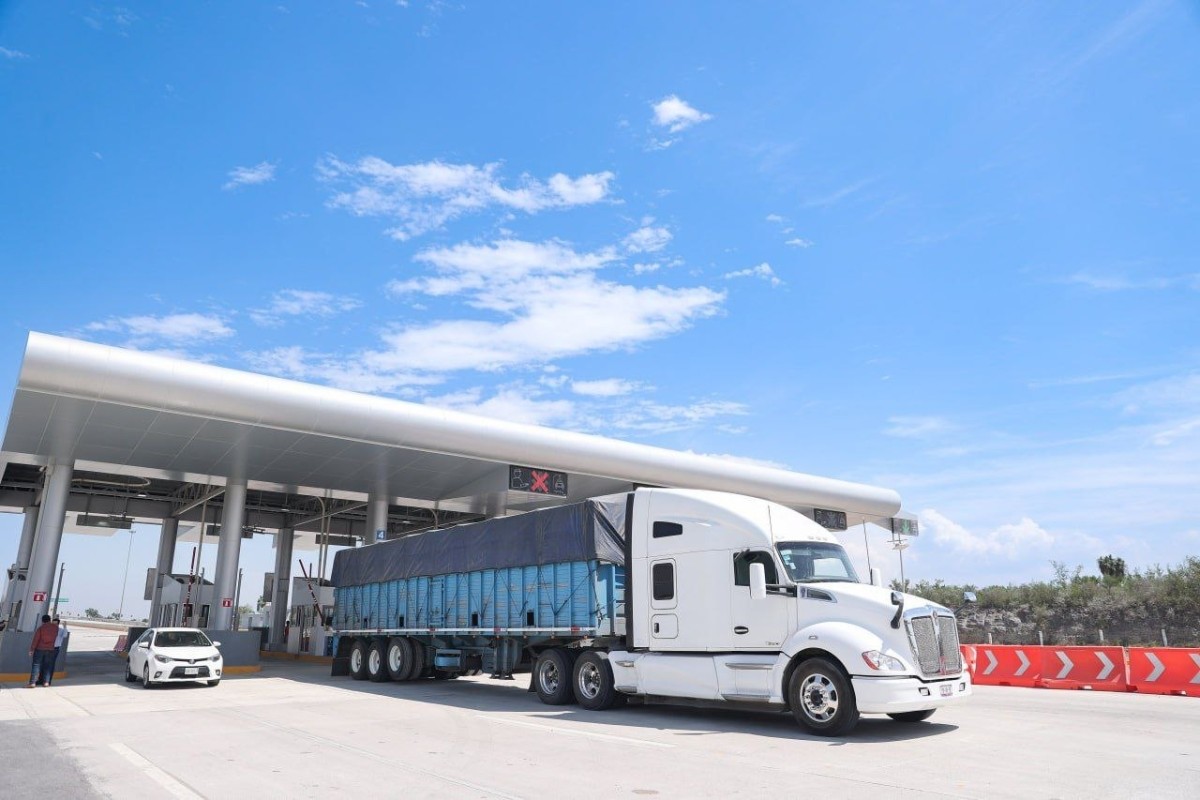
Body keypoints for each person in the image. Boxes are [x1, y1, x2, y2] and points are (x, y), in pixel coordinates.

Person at [28, 614, 58, 688]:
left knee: (36, 665)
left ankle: (32, 683)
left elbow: (36, 639)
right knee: (48, 666)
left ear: (42, 621)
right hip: (50, 649)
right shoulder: (55, 628)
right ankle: (46, 682)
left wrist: (32, 649)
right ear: (50, 619)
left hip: (40, 649)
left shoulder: (41, 628)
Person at [46, 617, 69, 686]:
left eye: (55, 624)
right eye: (53, 623)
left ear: (58, 624)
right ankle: (43, 679)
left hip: (55, 649)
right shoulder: (49, 629)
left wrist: (65, 627)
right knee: (45, 664)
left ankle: (48, 680)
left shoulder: (61, 630)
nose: (54, 625)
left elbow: (65, 635)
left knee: (51, 664)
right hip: (47, 648)